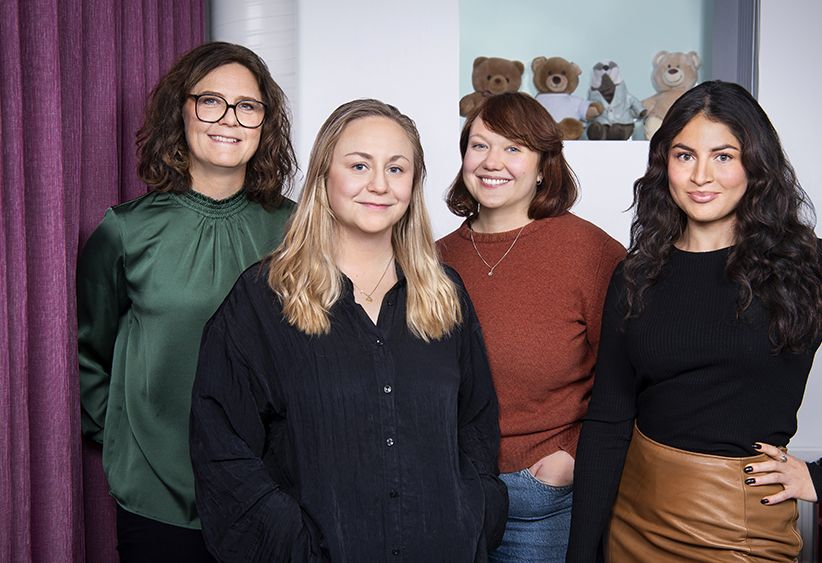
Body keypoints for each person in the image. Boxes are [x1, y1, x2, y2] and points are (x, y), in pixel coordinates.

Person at [565, 80, 822, 563]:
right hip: (633, 516)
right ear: (665, 165)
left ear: (755, 164)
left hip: (738, 526)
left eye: (723, 156)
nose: (701, 175)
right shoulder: (635, 273)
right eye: (685, 155)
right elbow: (608, 421)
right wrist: (581, 553)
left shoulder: (809, 266)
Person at [188, 99, 507, 562]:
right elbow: (221, 445)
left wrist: (474, 515)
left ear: (414, 185)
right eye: (359, 165)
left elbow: (475, 426)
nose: (379, 184)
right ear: (323, 176)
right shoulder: (263, 298)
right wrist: (291, 543)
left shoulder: (445, 293)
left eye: (397, 169)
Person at [77, 42, 296, 562]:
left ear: (265, 122)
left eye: (248, 106)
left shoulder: (297, 230)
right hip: (157, 494)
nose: (230, 119)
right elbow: (91, 352)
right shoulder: (125, 231)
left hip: (273, 489)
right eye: (211, 101)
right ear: (181, 110)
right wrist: (126, 438)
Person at [438, 92, 626, 563]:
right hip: (446, 491)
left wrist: (574, 456)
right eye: (479, 145)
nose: (492, 162)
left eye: (514, 148)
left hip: (540, 498)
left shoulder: (589, 252)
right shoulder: (429, 256)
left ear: (544, 166)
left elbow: (632, 377)